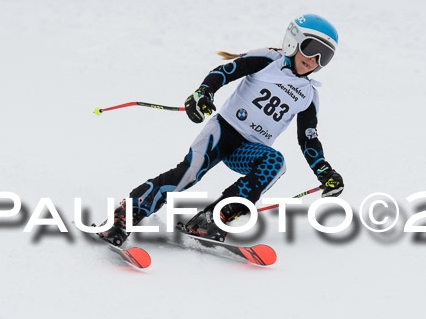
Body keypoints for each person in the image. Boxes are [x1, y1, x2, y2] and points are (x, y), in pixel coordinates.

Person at [99, 14, 345, 246]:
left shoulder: (309, 95)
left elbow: (308, 139)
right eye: (311, 49)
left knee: (275, 163)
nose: (314, 60)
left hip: (248, 150)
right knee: (188, 175)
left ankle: (213, 218)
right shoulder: (269, 59)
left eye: (324, 56)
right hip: (223, 131)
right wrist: (203, 93)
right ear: (294, 41)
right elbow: (224, 72)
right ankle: (125, 216)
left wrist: (324, 172)